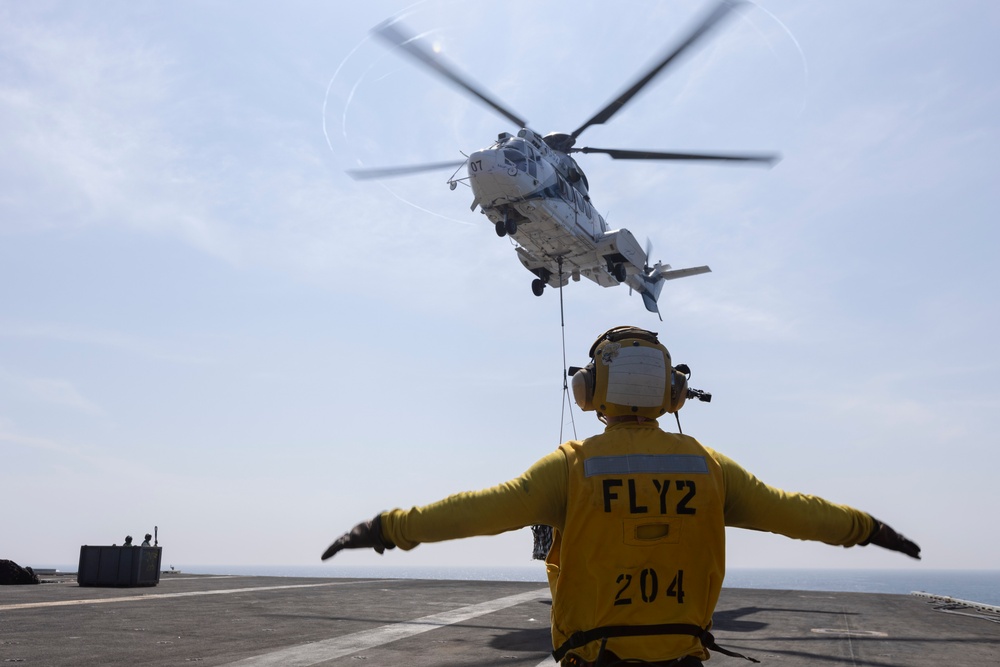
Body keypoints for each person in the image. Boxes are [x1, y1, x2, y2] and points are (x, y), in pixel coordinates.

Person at [322, 326, 920, 666]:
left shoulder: (572, 468)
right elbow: (799, 514)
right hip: (682, 659)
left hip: (597, 659)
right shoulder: (711, 468)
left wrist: (388, 528)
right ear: (673, 395)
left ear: (590, 392)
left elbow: (476, 511)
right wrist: (869, 528)